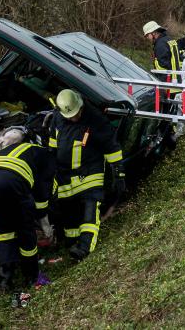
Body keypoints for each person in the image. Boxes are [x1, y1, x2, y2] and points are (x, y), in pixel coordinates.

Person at [48, 89, 126, 261]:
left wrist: (118, 173)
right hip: (64, 175)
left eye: (76, 115)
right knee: (69, 212)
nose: (73, 119)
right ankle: (71, 240)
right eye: (69, 116)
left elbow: (111, 147)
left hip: (90, 172)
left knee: (90, 210)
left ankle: (84, 248)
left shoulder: (96, 120)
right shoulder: (58, 118)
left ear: (81, 106)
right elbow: (53, 145)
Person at [0, 133, 55, 291]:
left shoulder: (22, 149)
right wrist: (45, 225)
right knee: (25, 232)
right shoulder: (47, 158)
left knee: (3, 229)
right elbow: (41, 195)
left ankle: (5, 279)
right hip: (10, 180)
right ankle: (32, 277)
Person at [143, 21, 183, 91]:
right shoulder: (169, 39)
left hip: (168, 83)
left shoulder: (160, 44)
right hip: (176, 80)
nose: (147, 38)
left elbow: (163, 65)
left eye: (147, 35)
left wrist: (153, 73)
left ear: (154, 33)